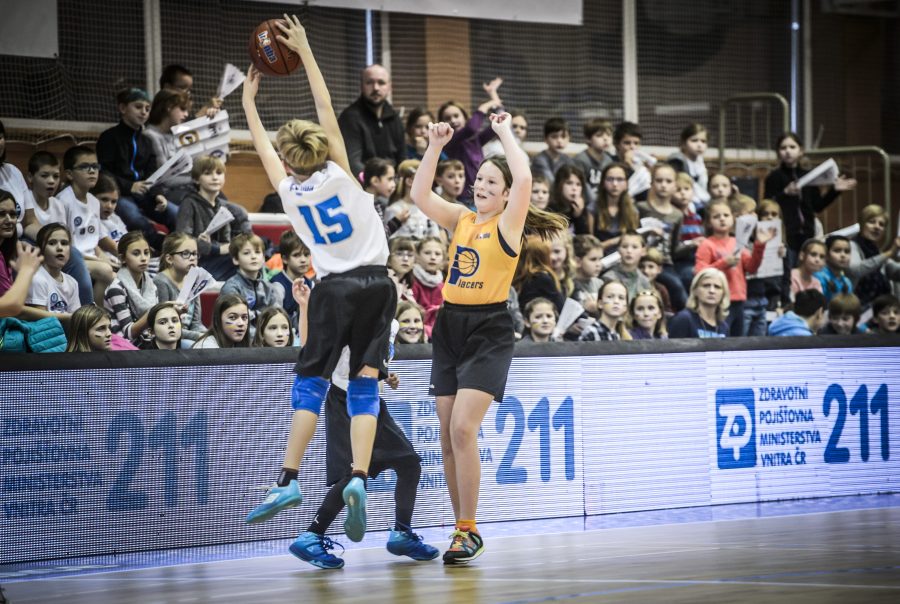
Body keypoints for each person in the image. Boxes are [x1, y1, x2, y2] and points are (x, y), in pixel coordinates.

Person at [242, 15, 396, 546]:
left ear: (289, 161)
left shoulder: (287, 191)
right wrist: (305, 50)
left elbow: (262, 146)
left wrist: (249, 104)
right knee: (365, 385)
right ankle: (358, 477)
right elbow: (327, 106)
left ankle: (288, 479)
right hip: (379, 284)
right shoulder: (343, 176)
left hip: (334, 289)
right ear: (323, 152)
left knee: (311, 384)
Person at [411, 110, 566, 564]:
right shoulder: (461, 218)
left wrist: (504, 132)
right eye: (479, 179)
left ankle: (469, 528)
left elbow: (525, 177)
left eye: (491, 182)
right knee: (447, 435)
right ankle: (460, 529)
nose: (481, 185)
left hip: (489, 329)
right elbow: (419, 195)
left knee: (464, 427)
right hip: (449, 326)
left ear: (506, 195)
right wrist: (434, 147)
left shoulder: (508, 225)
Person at [289, 281, 438, 568]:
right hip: (345, 402)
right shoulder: (343, 319)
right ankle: (311, 536)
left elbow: (373, 360)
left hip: (372, 403)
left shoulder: (389, 323)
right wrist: (305, 307)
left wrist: (385, 375)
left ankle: (402, 533)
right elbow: (311, 350)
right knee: (353, 477)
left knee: (409, 463)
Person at [96, 87, 178, 233]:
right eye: (138, 107)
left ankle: (181, 245)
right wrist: (130, 186)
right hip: (120, 194)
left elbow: (153, 173)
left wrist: (158, 195)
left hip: (144, 194)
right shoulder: (109, 137)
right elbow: (105, 172)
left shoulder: (147, 141)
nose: (144, 112)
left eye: (147, 108)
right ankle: (159, 243)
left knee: (176, 214)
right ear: (122, 108)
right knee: (135, 219)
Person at [20, 151, 95, 306]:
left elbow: (65, 239)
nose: (51, 181)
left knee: (74, 254)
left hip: (56, 255)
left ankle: (88, 312)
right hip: (35, 251)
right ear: (30, 177)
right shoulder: (26, 197)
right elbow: (28, 227)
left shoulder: (58, 204)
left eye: (55, 176)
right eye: (44, 176)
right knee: (75, 255)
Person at [764, 132, 857, 256]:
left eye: (792, 147)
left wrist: (835, 190)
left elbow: (817, 206)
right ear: (778, 152)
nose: (788, 151)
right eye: (783, 148)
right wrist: (785, 193)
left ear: (801, 151)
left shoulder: (809, 175)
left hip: (808, 234)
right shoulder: (774, 177)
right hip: (786, 234)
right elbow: (767, 204)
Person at [694, 200, 773, 337]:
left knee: (738, 341)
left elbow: (751, 268)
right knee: (722, 339)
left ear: (733, 219)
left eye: (726, 215)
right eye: (716, 216)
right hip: (718, 302)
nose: (722, 219)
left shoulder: (737, 242)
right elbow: (700, 272)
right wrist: (724, 263)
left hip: (739, 301)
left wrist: (759, 246)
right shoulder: (706, 244)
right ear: (708, 222)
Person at [175, 155, 251, 281]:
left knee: (251, 255)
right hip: (198, 263)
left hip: (221, 259)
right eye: (208, 173)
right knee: (243, 259)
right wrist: (217, 249)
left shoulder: (225, 206)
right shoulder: (188, 203)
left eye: (219, 173)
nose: (215, 177)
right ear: (196, 179)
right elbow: (182, 241)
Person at [58, 145, 117, 304]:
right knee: (106, 271)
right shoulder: (63, 201)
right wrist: (101, 261)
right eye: (84, 166)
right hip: (72, 260)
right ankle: (92, 312)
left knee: (120, 273)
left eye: (95, 166)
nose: (92, 171)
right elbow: (66, 246)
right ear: (69, 174)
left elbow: (95, 240)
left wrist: (116, 256)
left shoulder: (93, 201)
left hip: (91, 258)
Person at [438, 78, 504, 202]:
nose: (453, 120)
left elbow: (500, 123)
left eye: (456, 116)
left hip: (482, 193)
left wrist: (493, 94)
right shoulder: (448, 142)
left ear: (465, 117)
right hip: (464, 199)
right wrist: (485, 106)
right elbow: (471, 128)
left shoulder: (475, 140)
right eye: (447, 118)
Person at [338, 63, 405, 177]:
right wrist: (374, 182)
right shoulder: (349, 118)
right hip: (365, 183)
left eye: (381, 82)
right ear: (361, 86)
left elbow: (402, 158)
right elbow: (352, 163)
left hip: (393, 181)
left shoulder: (395, 118)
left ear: (389, 87)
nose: (376, 88)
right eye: (369, 82)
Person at [637, 163, 688, 309]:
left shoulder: (677, 214)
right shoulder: (641, 208)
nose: (663, 185)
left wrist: (691, 245)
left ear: (675, 185)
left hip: (664, 263)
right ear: (651, 183)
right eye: (659, 181)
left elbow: (674, 248)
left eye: (668, 181)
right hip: (641, 261)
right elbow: (632, 234)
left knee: (677, 287)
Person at [220, 232, 283, 335]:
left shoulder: (269, 288)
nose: (253, 257)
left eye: (257, 252)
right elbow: (236, 322)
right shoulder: (231, 287)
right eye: (246, 253)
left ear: (263, 258)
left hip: (267, 336)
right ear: (236, 259)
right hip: (242, 337)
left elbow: (276, 316)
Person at [103, 231, 158, 345]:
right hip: (123, 346)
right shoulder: (116, 289)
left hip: (147, 342)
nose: (143, 258)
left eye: (146, 253)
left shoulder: (152, 286)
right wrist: (154, 313)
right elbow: (128, 333)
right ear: (123, 258)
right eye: (136, 253)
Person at [154, 232, 206, 345]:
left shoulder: (194, 280)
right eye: (185, 253)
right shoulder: (161, 282)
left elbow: (196, 323)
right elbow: (165, 327)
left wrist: (207, 335)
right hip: (171, 339)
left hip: (190, 336)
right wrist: (199, 336)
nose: (192, 258)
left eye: (195, 254)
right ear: (169, 259)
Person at [0, 190, 43, 318]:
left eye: (13, 214)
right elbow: (11, 307)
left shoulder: (5, 253)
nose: (9, 220)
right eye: (1, 214)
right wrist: (26, 270)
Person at [847, 204, 900, 307]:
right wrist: (889, 253)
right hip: (858, 307)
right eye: (871, 222)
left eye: (881, 224)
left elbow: (895, 272)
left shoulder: (876, 251)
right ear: (862, 224)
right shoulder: (851, 245)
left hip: (881, 307)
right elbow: (856, 270)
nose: (877, 227)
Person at [25, 223, 80, 320]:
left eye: (64, 243)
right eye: (52, 243)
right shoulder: (37, 278)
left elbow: (76, 319)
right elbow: (41, 322)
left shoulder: (72, 282)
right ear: (41, 250)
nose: (60, 248)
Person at [384, 159, 442, 241]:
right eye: (423, 178)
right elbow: (390, 241)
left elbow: (436, 239)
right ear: (409, 181)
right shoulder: (394, 210)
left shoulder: (428, 210)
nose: (428, 183)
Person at [668, 268, 730, 339]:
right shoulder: (683, 319)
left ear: (723, 293)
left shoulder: (724, 327)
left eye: (717, 287)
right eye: (706, 286)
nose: (712, 291)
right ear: (695, 290)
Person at [593, 162, 639, 254]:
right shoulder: (593, 208)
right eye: (610, 179)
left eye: (620, 179)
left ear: (626, 184)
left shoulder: (633, 211)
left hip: (625, 255)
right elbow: (590, 245)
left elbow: (635, 240)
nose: (615, 184)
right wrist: (614, 241)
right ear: (603, 183)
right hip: (600, 257)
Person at [671, 171, 705, 293]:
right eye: (678, 190)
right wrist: (692, 244)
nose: (683, 193)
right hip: (680, 261)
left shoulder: (696, 217)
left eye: (687, 189)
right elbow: (673, 248)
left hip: (697, 259)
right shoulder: (672, 216)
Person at [513, 235, 566, 314]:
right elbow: (562, 308)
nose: (552, 257)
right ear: (543, 256)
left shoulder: (520, 277)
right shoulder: (541, 278)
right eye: (549, 253)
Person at [270, 230, 314, 325]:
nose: (303, 260)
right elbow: (275, 319)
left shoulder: (310, 284)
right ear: (285, 259)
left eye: (306, 254)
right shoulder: (277, 285)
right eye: (296, 255)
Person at [573, 118, 614, 211]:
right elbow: (581, 186)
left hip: (604, 202)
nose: (606, 139)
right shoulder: (580, 160)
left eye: (609, 135)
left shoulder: (609, 160)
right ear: (588, 139)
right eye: (599, 135)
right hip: (585, 204)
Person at [667, 123, 710, 211]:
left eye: (703, 141)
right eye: (694, 140)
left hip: (700, 203)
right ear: (683, 143)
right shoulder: (676, 161)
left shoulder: (700, 162)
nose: (699, 145)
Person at [411, 236, 445, 339]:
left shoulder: (443, 286)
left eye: (437, 254)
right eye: (427, 253)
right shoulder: (410, 282)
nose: (433, 257)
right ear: (417, 256)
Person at [602, 231, 652, 301]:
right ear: (618, 250)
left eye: (634, 247)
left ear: (644, 251)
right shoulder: (609, 278)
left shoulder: (644, 281)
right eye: (624, 246)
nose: (629, 251)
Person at [531, 117, 575, 187]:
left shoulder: (567, 160)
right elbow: (551, 183)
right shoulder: (540, 160)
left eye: (563, 136)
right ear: (545, 139)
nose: (559, 141)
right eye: (554, 137)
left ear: (569, 138)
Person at [548, 164, 590, 234]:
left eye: (578, 184)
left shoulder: (582, 207)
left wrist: (578, 216)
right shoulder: (550, 209)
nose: (574, 188)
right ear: (559, 185)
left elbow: (585, 237)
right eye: (569, 183)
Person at [571, 234, 604, 318]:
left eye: (600, 259)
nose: (598, 264)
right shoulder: (569, 285)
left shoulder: (600, 284)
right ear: (577, 261)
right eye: (593, 259)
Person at [815, 235, 854, 304]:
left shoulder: (847, 283)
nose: (843, 255)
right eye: (837, 251)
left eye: (847, 251)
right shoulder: (818, 278)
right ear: (826, 255)